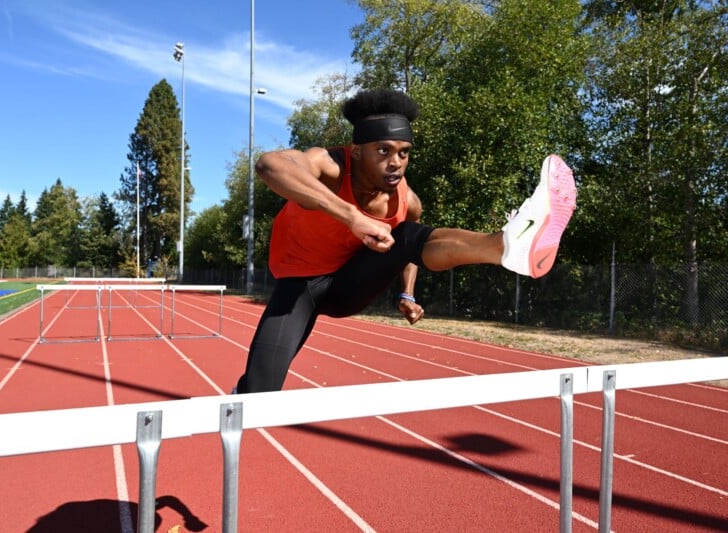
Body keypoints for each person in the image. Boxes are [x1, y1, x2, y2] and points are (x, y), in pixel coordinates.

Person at [234, 88, 576, 394]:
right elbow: (270, 165)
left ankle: (503, 246)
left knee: (410, 234)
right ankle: (246, 394)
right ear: (355, 151)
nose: (395, 163)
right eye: (383, 151)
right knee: (257, 395)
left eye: (404, 152)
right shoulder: (329, 165)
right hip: (299, 288)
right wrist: (352, 217)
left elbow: (409, 251)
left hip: (350, 284)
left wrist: (407, 292)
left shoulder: (405, 200)